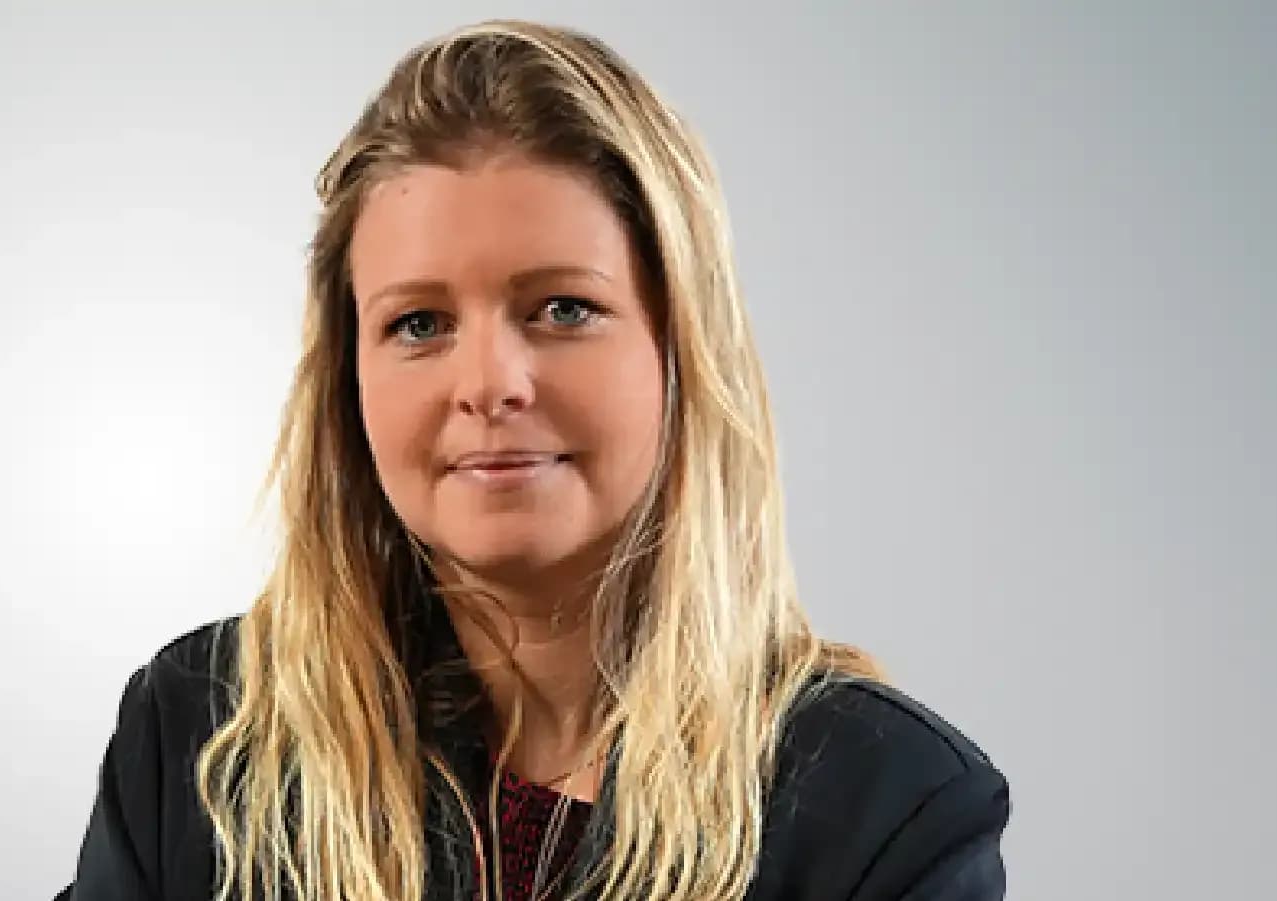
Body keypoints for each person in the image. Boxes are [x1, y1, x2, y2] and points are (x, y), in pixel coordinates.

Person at [56, 18, 1009, 901]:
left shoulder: (889, 809)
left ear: (682, 348)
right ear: (348, 382)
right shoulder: (198, 741)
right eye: (418, 323)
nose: (487, 383)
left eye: (562, 309)